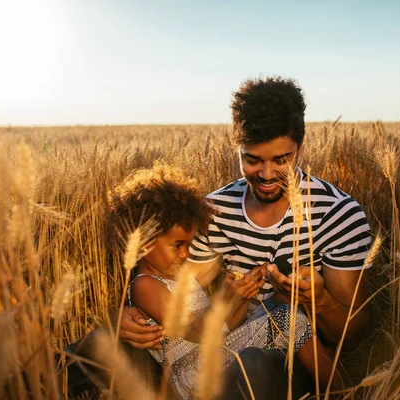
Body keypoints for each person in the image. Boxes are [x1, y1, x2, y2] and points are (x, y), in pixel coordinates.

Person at [119, 76, 373, 399]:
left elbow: (355, 336)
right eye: (252, 160)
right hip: (222, 358)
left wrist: (317, 301)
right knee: (109, 345)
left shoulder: (339, 214)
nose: (267, 175)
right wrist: (125, 315)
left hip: (294, 371)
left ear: (300, 147)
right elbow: (164, 276)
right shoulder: (212, 212)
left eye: (281, 159)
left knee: (256, 358)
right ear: (236, 147)